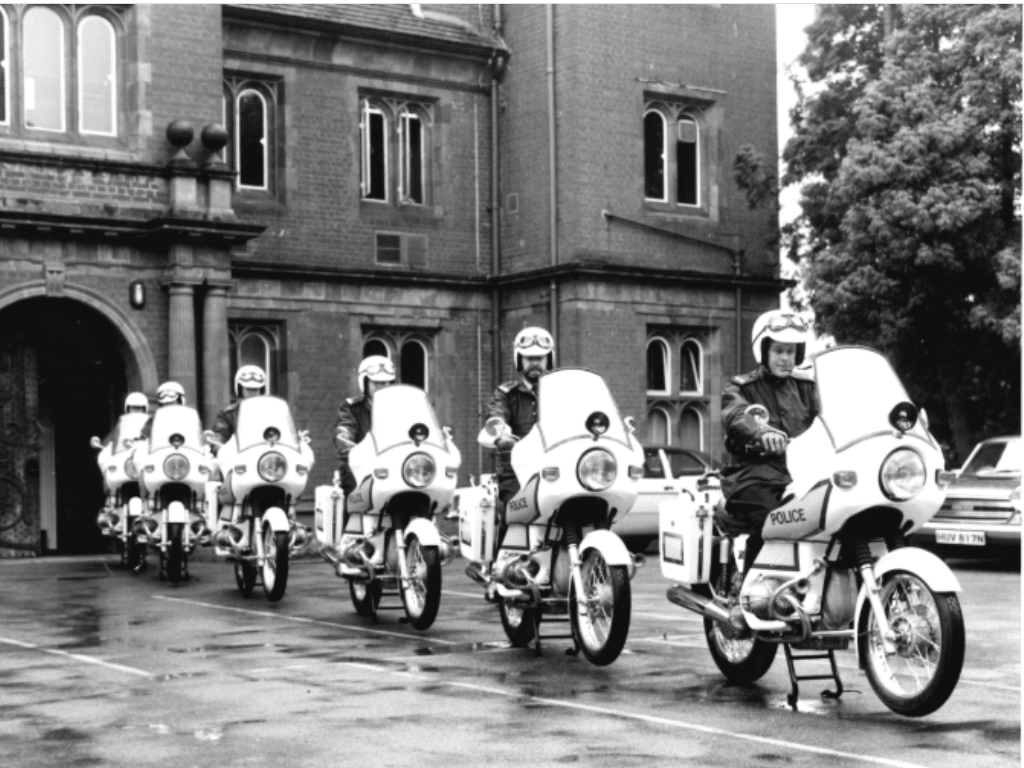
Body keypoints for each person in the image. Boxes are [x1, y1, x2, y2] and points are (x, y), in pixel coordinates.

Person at [719, 309, 819, 576]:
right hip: (750, 477)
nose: (786, 358)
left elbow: (831, 416)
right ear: (764, 351)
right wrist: (760, 433)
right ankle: (752, 594)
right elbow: (735, 415)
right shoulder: (740, 388)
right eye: (779, 351)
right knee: (772, 519)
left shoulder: (807, 388)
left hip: (798, 476)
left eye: (791, 351)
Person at [477, 326, 555, 560]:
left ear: (547, 359)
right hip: (516, 473)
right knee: (515, 509)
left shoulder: (558, 393)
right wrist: (500, 434)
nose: (535, 364)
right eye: (530, 358)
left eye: (539, 358)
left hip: (553, 469)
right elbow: (496, 416)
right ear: (519, 360)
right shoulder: (506, 394)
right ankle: (501, 567)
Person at [334, 356, 396, 501]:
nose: (382, 387)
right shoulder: (351, 408)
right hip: (360, 467)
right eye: (377, 383)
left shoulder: (399, 408)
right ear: (365, 382)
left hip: (393, 466)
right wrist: (350, 451)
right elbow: (343, 434)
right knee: (355, 499)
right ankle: (351, 522)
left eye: (386, 383)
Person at [209, 365, 267, 449]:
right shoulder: (228, 414)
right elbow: (219, 438)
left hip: (266, 457)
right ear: (240, 389)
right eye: (248, 389)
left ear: (261, 390)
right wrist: (219, 447)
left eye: (255, 389)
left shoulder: (272, 413)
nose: (252, 393)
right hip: (238, 458)